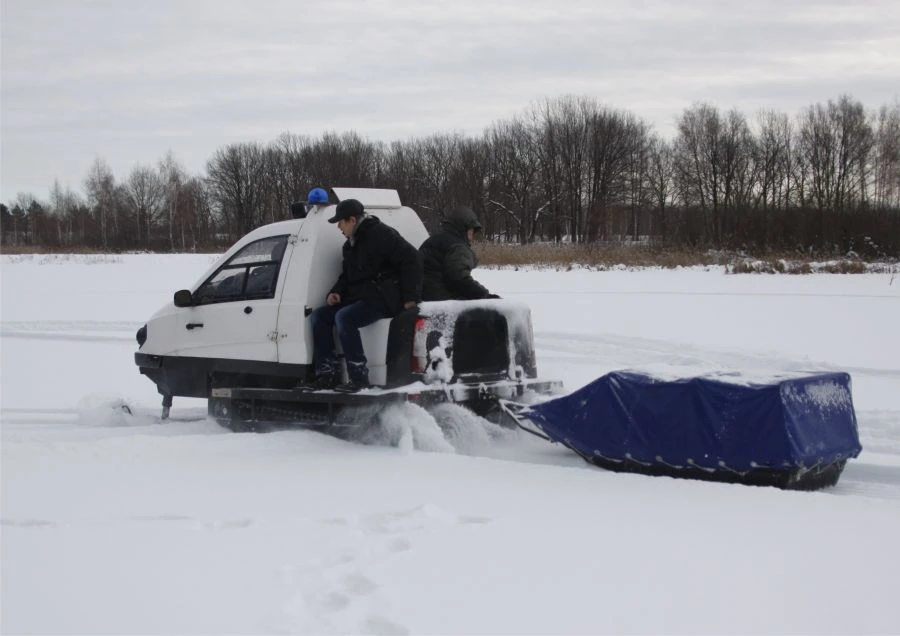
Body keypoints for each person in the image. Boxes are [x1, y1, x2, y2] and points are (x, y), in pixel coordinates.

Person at [308, 198, 422, 391]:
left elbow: (412, 260)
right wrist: (335, 292)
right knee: (320, 316)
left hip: (385, 298)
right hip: (363, 297)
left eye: (340, 222)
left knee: (345, 317)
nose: (339, 227)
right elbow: (347, 276)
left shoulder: (381, 235)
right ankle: (327, 374)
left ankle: (359, 378)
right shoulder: (350, 245)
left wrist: (410, 298)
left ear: (352, 220)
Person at [419, 205, 499, 301]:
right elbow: (459, 279)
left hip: (423, 294)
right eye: (471, 230)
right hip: (440, 298)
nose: (472, 235)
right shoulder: (457, 246)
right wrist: (484, 294)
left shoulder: (435, 239)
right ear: (463, 227)